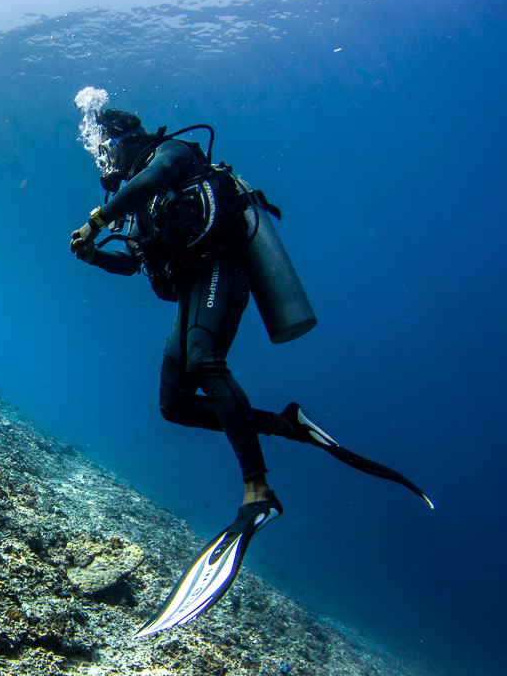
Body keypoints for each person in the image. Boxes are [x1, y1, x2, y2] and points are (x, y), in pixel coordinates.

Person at [68, 108, 432, 636]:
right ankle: (289, 424)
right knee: (173, 405)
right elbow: (133, 262)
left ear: (128, 138)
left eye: (108, 149)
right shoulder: (143, 202)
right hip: (192, 286)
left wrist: (95, 220)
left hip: (221, 269)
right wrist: (93, 254)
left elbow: (149, 178)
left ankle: (258, 492)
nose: (106, 162)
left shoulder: (174, 155)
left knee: (205, 361)